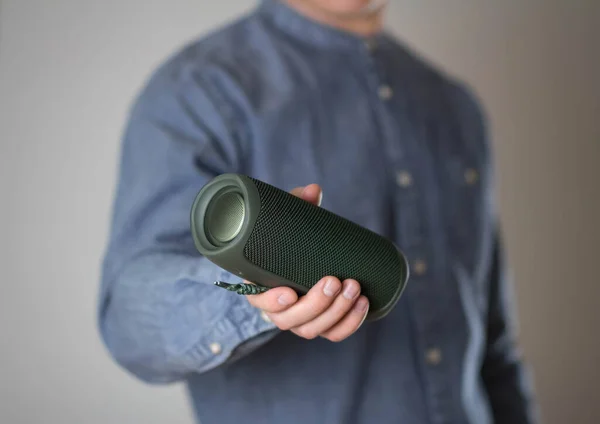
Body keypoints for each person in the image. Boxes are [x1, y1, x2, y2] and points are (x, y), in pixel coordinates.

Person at [99, 1, 538, 423]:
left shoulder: (455, 107)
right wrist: (250, 293)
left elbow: (492, 343)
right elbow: (129, 321)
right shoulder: (199, 90)